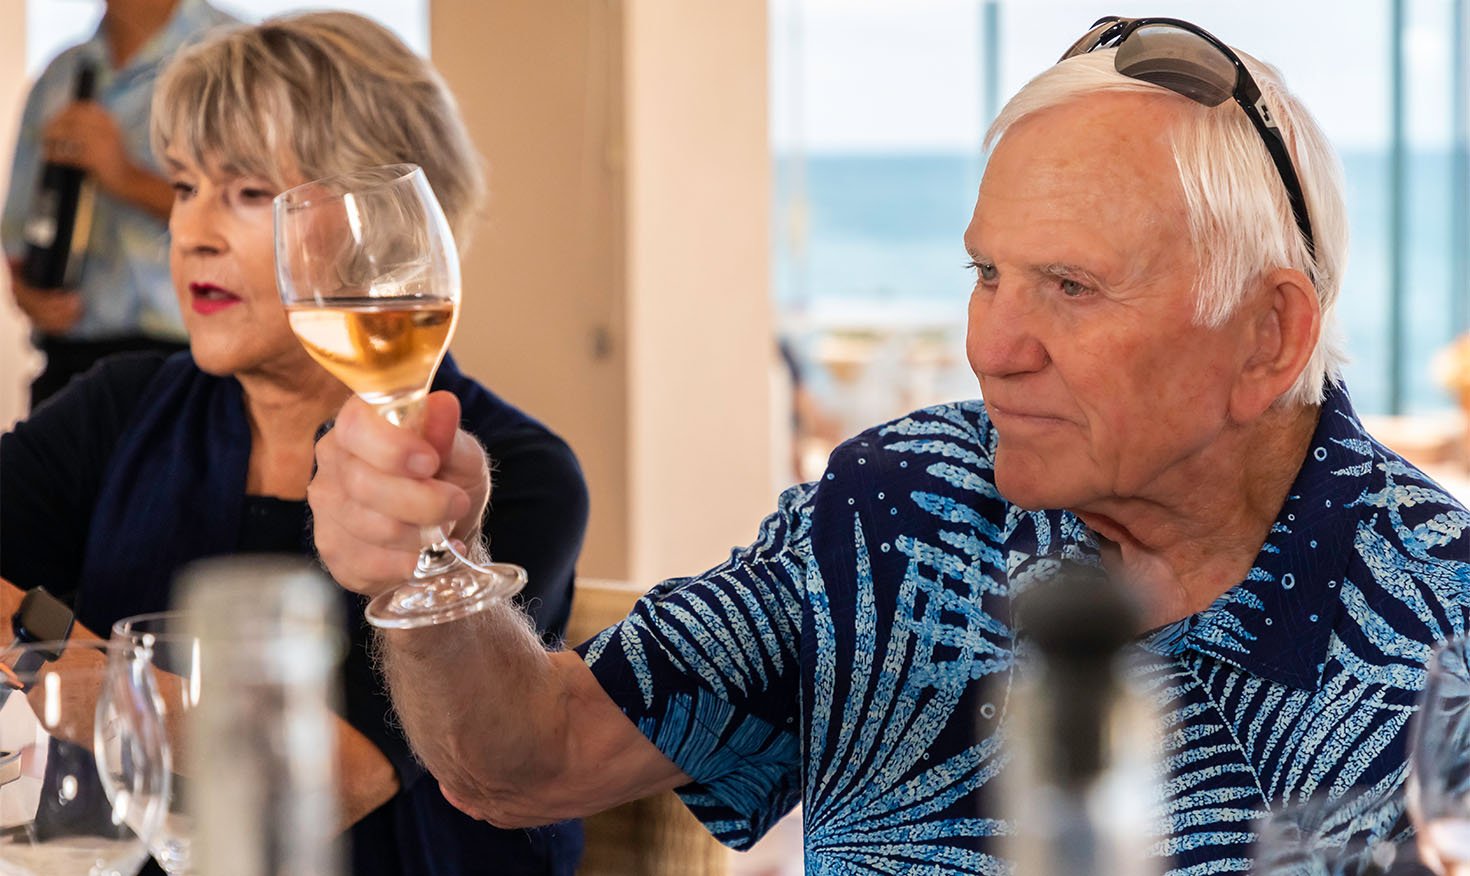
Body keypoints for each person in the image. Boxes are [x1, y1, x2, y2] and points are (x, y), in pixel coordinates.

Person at [308, 16, 1470, 874]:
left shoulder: (1445, 619)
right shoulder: (900, 505)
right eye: (985, 274)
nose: (991, 345)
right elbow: (524, 762)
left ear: (1270, 337)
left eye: (1070, 286)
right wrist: (430, 572)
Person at [0, 12, 588, 876]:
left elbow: (325, 776)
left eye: (246, 194)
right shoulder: (123, 407)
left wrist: (83, 676)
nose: (190, 232)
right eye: (183, 185)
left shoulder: (505, 470)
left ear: (382, 225)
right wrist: (70, 650)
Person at [2, 0, 237, 410]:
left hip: (197, 363)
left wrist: (125, 177)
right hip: (69, 364)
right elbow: (19, 230)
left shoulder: (240, 56)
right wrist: (27, 291)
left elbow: (271, 222)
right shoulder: (59, 74)